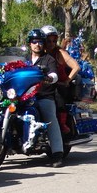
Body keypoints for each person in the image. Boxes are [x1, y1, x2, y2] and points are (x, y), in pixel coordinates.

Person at [27, 29, 65, 167]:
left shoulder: (49, 59)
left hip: (43, 95)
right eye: (34, 41)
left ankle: (57, 153)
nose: (37, 44)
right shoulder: (23, 60)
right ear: (30, 43)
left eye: (40, 42)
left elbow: (54, 75)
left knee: (50, 119)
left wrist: (49, 78)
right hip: (23, 96)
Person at [41, 24, 80, 134]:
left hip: (59, 85)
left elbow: (76, 67)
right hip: (43, 85)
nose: (51, 44)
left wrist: (67, 81)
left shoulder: (60, 53)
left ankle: (62, 124)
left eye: (54, 41)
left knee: (57, 93)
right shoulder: (38, 53)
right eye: (48, 41)